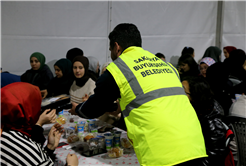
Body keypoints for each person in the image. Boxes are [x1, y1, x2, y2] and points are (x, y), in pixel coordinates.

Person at [70, 23, 207, 165]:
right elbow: (155, 100)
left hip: (162, 154)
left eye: (110, 50)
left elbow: (95, 107)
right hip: (195, 147)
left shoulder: (118, 69)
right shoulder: (167, 66)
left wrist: (78, 109)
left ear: (117, 47)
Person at [0, 82, 78, 166]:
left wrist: (49, 148)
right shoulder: (25, 150)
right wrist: (71, 164)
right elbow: (35, 160)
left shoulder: (5, 131)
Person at [182, 77, 233, 165]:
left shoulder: (211, 121)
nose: (178, 95)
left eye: (183, 92)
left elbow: (215, 158)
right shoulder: (191, 113)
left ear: (195, 96)